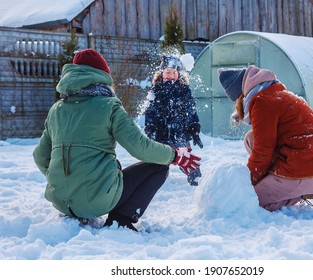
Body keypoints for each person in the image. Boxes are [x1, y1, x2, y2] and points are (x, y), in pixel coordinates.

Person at [33, 48, 201, 231]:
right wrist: (174, 155)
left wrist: (62, 182)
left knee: (113, 166)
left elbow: (40, 156)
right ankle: (121, 218)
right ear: (102, 74)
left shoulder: (57, 110)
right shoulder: (109, 106)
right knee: (159, 166)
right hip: (95, 201)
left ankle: (78, 199)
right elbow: (140, 148)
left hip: (61, 201)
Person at [218, 65, 313, 212]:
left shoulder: (262, 102)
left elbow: (263, 153)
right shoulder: (276, 93)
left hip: (306, 171)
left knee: (248, 201)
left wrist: (248, 185)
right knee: (251, 138)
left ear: (241, 95)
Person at [144, 55, 203, 186]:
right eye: (167, 72)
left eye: (174, 73)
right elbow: (150, 111)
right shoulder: (156, 90)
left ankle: (196, 180)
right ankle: (152, 181)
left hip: (180, 133)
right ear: (161, 72)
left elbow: (191, 110)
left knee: (186, 159)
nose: (171, 75)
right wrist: (150, 126)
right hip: (161, 133)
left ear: (179, 74)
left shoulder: (184, 90)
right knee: (158, 159)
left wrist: (194, 126)